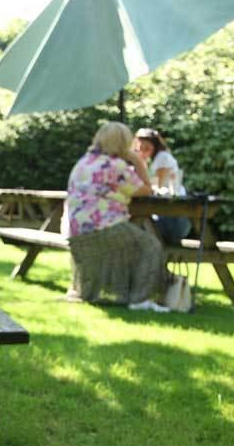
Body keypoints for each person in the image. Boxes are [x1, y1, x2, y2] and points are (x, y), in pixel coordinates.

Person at [66, 122, 167, 311]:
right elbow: (147, 189)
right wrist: (137, 160)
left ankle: (118, 293)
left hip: (76, 232)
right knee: (150, 245)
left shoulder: (84, 162)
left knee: (132, 239)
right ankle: (140, 300)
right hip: (103, 229)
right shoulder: (116, 166)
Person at [134, 128, 192, 245]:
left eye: (147, 148)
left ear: (155, 146)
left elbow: (156, 186)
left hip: (173, 220)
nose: (143, 152)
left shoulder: (162, 157)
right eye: (140, 148)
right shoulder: (153, 160)